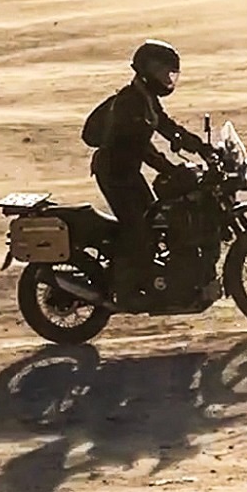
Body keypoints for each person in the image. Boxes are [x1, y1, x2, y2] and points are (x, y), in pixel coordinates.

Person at [87, 40, 215, 309]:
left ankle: (153, 277)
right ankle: (125, 291)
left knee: (157, 222)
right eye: (162, 71)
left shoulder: (145, 99)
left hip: (127, 173)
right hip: (115, 174)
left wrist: (201, 147)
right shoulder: (130, 103)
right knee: (139, 230)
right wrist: (171, 169)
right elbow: (143, 149)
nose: (166, 78)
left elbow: (168, 128)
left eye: (170, 73)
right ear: (146, 70)